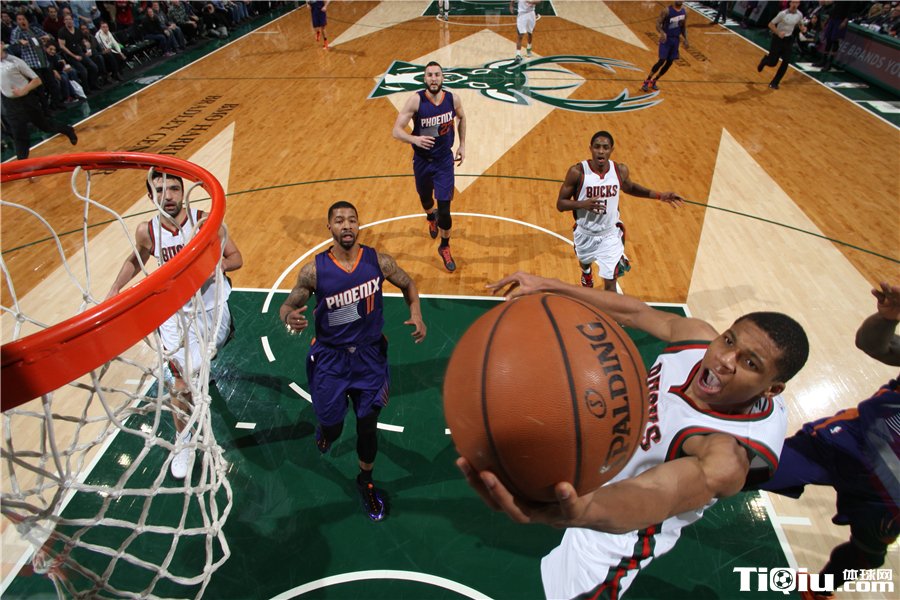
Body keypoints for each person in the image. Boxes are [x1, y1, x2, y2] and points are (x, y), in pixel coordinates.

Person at [458, 270, 810, 599]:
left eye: (749, 363)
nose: (725, 359)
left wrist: (580, 511)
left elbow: (656, 493)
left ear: (772, 390)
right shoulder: (697, 338)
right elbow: (636, 313)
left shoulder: (725, 455)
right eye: (728, 340)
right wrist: (552, 286)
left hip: (620, 534)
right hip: (602, 466)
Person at [280, 201, 426, 522]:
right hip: (330, 360)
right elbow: (288, 304)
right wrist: (289, 315)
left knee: (367, 426)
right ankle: (326, 431)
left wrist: (416, 313)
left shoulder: (379, 262)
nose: (346, 225)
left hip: (369, 358)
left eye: (352, 220)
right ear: (329, 228)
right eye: (339, 221)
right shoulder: (314, 271)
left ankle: (366, 480)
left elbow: (408, 284)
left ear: (359, 225)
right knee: (333, 427)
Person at [756, 282, 899, 600]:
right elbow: (874, 344)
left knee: (866, 556)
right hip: (843, 446)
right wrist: (888, 318)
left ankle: (819, 590)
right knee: (747, 469)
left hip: (889, 492)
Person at [106, 173, 243, 478]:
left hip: (210, 309)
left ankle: (203, 363)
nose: (167, 195)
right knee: (180, 383)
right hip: (173, 313)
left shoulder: (205, 222)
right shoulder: (148, 231)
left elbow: (236, 258)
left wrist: (214, 266)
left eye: (173, 188)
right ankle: (185, 441)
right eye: (159, 190)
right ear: (150, 196)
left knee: (200, 363)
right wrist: (115, 287)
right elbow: (135, 258)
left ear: (184, 192)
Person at [557, 130, 683, 291]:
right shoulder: (577, 172)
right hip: (585, 233)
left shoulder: (619, 170)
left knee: (611, 284)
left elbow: (630, 188)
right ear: (590, 148)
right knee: (585, 261)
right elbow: (560, 204)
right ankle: (586, 272)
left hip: (610, 235)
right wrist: (582, 204)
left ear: (612, 150)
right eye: (597, 147)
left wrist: (660, 195)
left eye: (605, 147)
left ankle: (609, 307)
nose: (601, 151)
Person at [391, 61, 467, 272]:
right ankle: (430, 217)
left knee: (445, 210)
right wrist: (414, 139)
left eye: (437, 75)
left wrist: (462, 144)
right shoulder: (416, 100)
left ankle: (444, 246)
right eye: (430, 75)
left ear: (443, 78)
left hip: (444, 161)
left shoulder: (453, 99)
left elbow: (462, 118)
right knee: (426, 200)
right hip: (422, 161)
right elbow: (396, 131)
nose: (434, 78)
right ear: (425, 79)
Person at [1, 44, 77, 160]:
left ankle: (68, 130)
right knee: (19, 133)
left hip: (26, 99)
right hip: (9, 103)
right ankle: (22, 163)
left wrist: (23, 91)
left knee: (45, 126)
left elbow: (37, 80)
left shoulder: (15, 61)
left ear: (1, 45)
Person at [9, 12, 60, 110]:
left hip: (43, 62)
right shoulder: (17, 31)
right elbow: (13, 41)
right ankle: (46, 110)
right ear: (16, 22)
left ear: (27, 20)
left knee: (53, 84)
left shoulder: (34, 29)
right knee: (40, 88)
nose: (22, 21)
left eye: (23, 19)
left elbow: (48, 36)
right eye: (19, 19)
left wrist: (47, 37)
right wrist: (20, 41)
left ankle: (56, 105)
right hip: (32, 65)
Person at [756, 0, 806, 90]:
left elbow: (800, 23)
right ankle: (765, 61)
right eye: (793, 2)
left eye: (797, 3)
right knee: (773, 63)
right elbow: (771, 24)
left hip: (788, 39)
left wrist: (802, 28)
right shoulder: (782, 14)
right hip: (777, 39)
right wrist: (778, 33)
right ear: (790, 3)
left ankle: (775, 82)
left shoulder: (799, 14)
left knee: (786, 61)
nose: (795, 4)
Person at [641, 1, 689, 92]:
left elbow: (683, 27)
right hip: (666, 39)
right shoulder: (667, 10)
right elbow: (658, 24)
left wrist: (686, 39)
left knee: (669, 63)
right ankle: (647, 81)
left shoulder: (684, 12)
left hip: (675, 40)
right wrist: (662, 32)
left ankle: (655, 80)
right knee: (661, 60)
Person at [57, 13, 102, 91]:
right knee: (83, 71)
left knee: (94, 67)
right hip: (70, 55)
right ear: (64, 21)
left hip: (79, 52)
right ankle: (86, 89)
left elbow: (81, 42)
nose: (69, 21)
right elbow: (62, 46)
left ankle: (93, 83)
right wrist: (74, 56)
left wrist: (86, 50)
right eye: (66, 19)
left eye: (70, 19)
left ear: (72, 20)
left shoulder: (77, 30)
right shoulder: (62, 32)